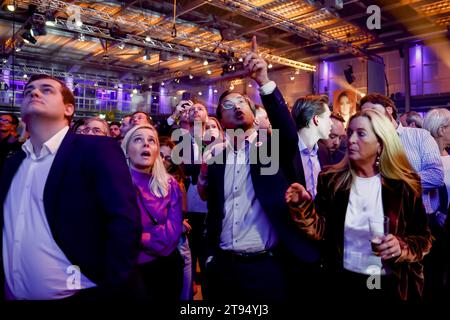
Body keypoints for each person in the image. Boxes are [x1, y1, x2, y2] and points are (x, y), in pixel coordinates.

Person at [0, 74, 142, 300]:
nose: (34, 93)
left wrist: (112, 287)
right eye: (28, 92)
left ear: (68, 109)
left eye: (46, 90)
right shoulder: (12, 163)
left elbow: (123, 221)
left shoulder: (96, 150)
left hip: (79, 293)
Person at [203, 37, 319, 301]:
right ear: (221, 119)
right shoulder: (218, 160)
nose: (236, 107)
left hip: (265, 267)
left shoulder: (268, 149)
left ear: (254, 113)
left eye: (242, 102)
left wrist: (263, 81)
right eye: (228, 106)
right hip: (224, 266)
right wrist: (210, 256)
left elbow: (288, 136)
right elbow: (214, 209)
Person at [286, 109, 432, 302]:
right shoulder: (331, 180)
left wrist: (401, 246)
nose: (351, 140)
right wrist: (302, 205)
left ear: (380, 143)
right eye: (350, 133)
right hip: (343, 280)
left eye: (361, 134)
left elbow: (423, 239)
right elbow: (321, 231)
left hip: (389, 282)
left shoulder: (404, 185)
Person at [121, 124, 183, 302]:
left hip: (167, 269)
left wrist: (141, 237)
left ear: (157, 151)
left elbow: (172, 235)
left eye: (152, 141)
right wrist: (151, 236)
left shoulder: (169, 184)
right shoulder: (116, 184)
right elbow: (117, 232)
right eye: (138, 139)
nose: (146, 144)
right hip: (131, 270)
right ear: (126, 149)